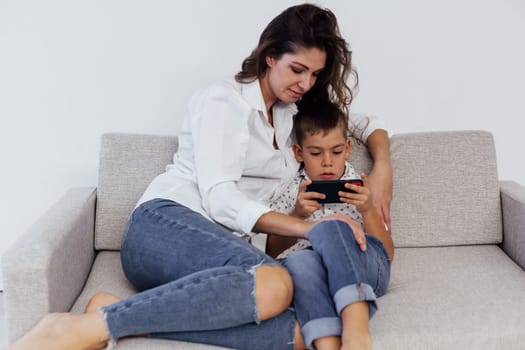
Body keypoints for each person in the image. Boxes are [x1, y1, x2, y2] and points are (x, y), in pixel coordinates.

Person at [10, 4, 393, 350]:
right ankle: (79, 329)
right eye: (297, 70)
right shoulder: (222, 102)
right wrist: (306, 229)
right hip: (164, 226)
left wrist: (381, 171)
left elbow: (363, 124)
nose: (306, 83)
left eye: (314, 74)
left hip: (222, 254)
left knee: (299, 331)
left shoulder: (291, 112)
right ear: (270, 56)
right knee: (276, 283)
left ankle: (117, 315)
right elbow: (220, 200)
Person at [269, 100, 394, 349]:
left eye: (336, 152)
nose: (327, 162)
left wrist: (368, 210)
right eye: (316, 153)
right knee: (300, 260)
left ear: (347, 149)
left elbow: (387, 254)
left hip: (365, 273)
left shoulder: (362, 186)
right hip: (310, 277)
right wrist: (296, 215)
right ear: (298, 153)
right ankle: (328, 345)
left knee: (334, 226)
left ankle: (357, 327)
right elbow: (271, 253)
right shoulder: (290, 191)